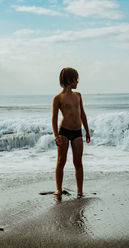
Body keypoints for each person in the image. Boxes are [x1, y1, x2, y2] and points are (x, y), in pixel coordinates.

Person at [52, 67, 90, 198]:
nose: (78, 82)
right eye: (76, 79)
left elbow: (83, 114)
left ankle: (80, 191)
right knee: (61, 161)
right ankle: (58, 189)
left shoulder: (78, 96)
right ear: (69, 80)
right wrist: (56, 135)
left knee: (78, 162)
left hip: (77, 132)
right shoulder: (58, 98)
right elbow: (54, 118)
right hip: (64, 132)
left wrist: (87, 131)